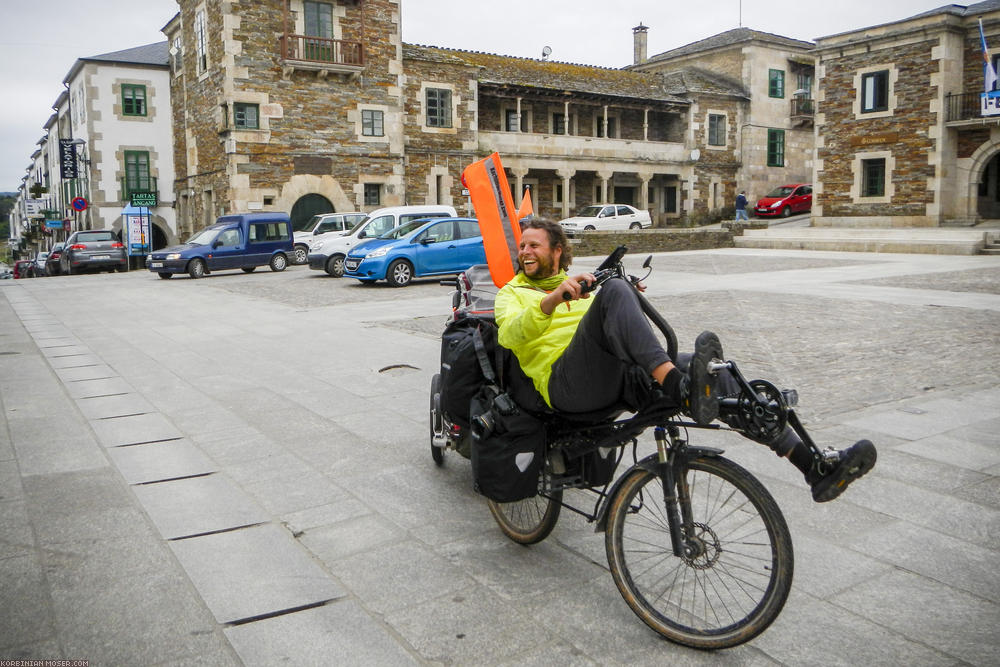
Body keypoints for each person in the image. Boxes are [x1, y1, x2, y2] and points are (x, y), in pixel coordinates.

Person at [494, 218, 876, 503]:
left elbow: (616, 331)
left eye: (534, 245)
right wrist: (551, 300)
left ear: (556, 251)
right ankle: (675, 384)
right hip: (565, 387)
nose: (524, 252)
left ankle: (814, 467)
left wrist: (624, 297)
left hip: (616, 378)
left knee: (710, 372)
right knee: (615, 296)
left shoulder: (581, 286)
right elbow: (509, 335)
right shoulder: (512, 293)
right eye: (522, 246)